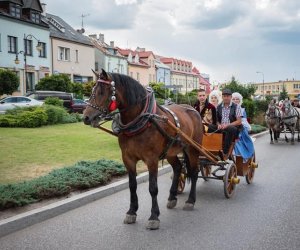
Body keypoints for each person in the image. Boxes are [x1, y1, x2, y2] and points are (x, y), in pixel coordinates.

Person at [208, 89, 242, 159]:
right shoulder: (218, 107)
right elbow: (216, 120)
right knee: (210, 127)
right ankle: (212, 149)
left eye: (228, 96)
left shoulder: (236, 107)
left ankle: (225, 152)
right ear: (222, 97)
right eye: (224, 96)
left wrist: (227, 125)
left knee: (229, 129)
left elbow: (239, 121)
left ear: (231, 97)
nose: (226, 98)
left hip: (233, 128)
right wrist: (218, 124)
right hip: (221, 127)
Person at [231, 92, 255, 161]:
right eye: (233, 99)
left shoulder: (242, 110)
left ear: (240, 100)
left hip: (240, 130)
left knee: (237, 141)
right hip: (231, 129)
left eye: (237, 99)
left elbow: (244, 122)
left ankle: (241, 157)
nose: (235, 100)